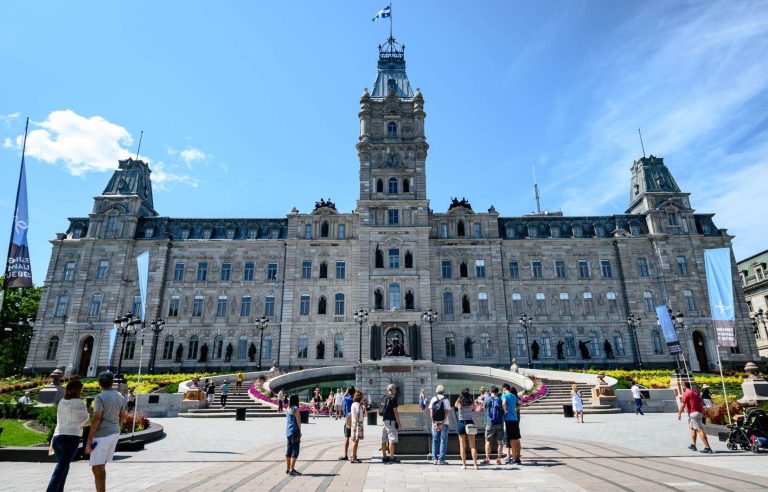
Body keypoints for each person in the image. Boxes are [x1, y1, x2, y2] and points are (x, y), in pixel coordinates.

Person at [86, 371, 127, 492]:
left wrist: (89, 440)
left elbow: (97, 418)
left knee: (97, 468)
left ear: (100, 383)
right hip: (114, 432)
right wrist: (116, 427)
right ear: (111, 382)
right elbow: (123, 415)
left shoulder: (100, 397)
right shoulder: (119, 396)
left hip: (102, 434)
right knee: (100, 466)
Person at [46, 380, 89, 492]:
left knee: (64, 466)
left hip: (57, 437)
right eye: (81, 389)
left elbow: (59, 420)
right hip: (71, 438)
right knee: (61, 468)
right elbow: (85, 419)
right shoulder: (78, 402)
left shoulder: (61, 402)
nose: (81, 391)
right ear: (77, 390)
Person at [678, 382, 713, 453]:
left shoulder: (686, 393)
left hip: (693, 413)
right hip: (698, 412)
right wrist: (703, 413)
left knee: (699, 429)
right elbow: (701, 403)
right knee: (692, 428)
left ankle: (707, 447)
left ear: (683, 386)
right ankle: (693, 445)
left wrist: (679, 414)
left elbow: (683, 404)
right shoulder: (695, 393)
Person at [454, 388, 479, 470]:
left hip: (461, 423)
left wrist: (460, 397)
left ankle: (464, 465)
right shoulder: (471, 403)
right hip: (470, 423)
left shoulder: (459, 403)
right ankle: (475, 465)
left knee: (462, 446)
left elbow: (455, 405)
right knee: (473, 446)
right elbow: (473, 408)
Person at [429, 385, 451, 465]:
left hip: (435, 423)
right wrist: (442, 423)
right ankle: (441, 460)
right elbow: (446, 412)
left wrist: (434, 422)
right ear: (443, 391)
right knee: (443, 441)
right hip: (444, 424)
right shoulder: (446, 400)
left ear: (436, 391)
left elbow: (431, 412)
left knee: (435, 440)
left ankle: (434, 459)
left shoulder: (433, 399)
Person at [380, 383, 401, 463]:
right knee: (392, 439)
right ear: (391, 389)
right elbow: (395, 411)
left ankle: (384, 457)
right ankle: (392, 457)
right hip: (391, 421)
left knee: (384, 439)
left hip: (384, 420)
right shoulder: (393, 398)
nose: (395, 390)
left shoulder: (384, 397)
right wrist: (398, 421)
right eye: (394, 389)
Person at [501, 384, 522, 465]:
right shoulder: (513, 396)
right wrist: (516, 409)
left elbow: (503, 403)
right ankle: (517, 458)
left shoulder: (505, 395)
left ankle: (513, 459)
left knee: (512, 440)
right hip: (515, 419)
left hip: (509, 419)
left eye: (503, 390)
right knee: (516, 439)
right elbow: (520, 402)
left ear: (504, 389)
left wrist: (505, 410)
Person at [483, 386, 504, 465]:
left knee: (488, 440)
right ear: (497, 392)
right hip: (499, 422)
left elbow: (484, 408)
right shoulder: (499, 399)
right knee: (499, 441)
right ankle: (499, 458)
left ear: (490, 391)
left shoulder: (487, 399)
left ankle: (487, 458)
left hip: (490, 422)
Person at [285, 394, 302, 476]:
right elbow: (298, 422)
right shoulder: (295, 409)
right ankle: (292, 469)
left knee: (289, 449)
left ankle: (288, 468)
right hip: (294, 431)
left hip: (288, 431)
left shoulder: (288, 408)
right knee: (295, 450)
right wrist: (300, 432)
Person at [350, 390, 366, 463]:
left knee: (355, 441)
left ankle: (354, 456)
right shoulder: (358, 405)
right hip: (357, 424)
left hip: (354, 424)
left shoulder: (353, 404)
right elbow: (358, 414)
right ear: (359, 397)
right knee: (356, 441)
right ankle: (353, 457)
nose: (362, 398)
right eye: (362, 397)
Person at [339, 386, 355, 460]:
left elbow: (342, 399)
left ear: (348, 391)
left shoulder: (347, 399)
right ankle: (354, 455)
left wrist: (346, 392)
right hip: (355, 419)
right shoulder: (356, 399)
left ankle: (345, 455)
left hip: (348, 419)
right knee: (354, 438)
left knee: (347, 437)